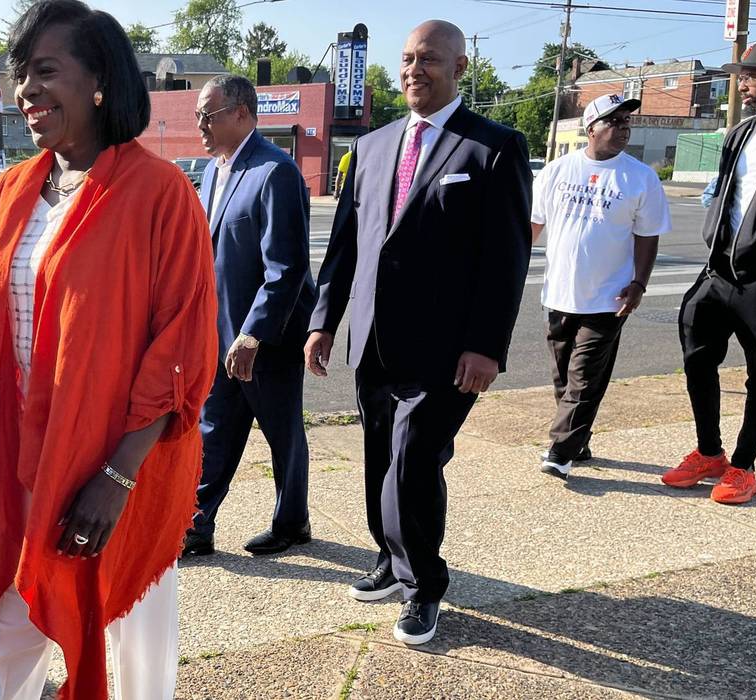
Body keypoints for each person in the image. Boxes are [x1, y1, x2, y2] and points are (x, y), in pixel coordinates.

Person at [0, 1, 218, 697]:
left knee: (134, 644)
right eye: (19, 76)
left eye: (44, 71)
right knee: (12, 623)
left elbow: (180, 342)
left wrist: (117, 476)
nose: (26, 91)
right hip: (25, 458)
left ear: (98, 80)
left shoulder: (159, 193)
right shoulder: (9, 193)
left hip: (125, 464)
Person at [304, 20, 530, 646]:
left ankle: (423, 586)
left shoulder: (492, 148)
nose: (413, 69)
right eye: (406, 59)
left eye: (428, 59)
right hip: (373, 341)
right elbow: (347, 245)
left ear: (460, 67)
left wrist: (487, 345)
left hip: (447, 351)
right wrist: (324, 320)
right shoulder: (373, 148)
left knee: (412, 462)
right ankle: (388, 555)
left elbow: (505, 259)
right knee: (380, 458)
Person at [182, 74, 315, 558]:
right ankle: (196, 525)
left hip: (267, 337)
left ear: (242, 113)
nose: (200, 124)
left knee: (283, 433)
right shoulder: (214, 170)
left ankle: (291, 522)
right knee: (212, 429)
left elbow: (288, 266)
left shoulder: (274, 171)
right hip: (221, 333)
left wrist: (254, 334)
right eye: (198, 114)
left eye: (208, 115)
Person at [661, 42, 756, 505]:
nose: (743, 82)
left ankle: (744, 466)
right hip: (720, 268)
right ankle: (710, 452)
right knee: (696, 350)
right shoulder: (739, 134)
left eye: (751, 74)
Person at [532, 94, 671, 480]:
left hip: (608, 297)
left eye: (628, 122)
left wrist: (639, 283)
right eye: (615, 122)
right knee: (564, 376)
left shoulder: (640, 177)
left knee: (585, 376)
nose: (624, 129)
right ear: (591, 128)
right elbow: (532, 226)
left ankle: (560, 451)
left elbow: (647, 236)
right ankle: (580, 438)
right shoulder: (557, 171)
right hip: (559, 293)